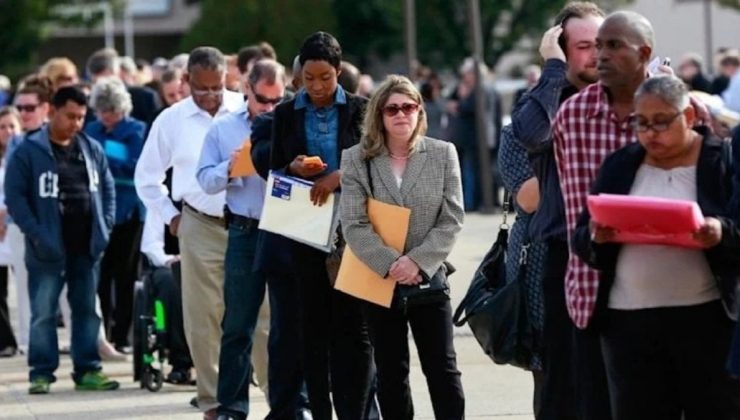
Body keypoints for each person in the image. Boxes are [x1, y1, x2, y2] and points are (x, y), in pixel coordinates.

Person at [572, 75, 740, 420]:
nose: (651, 133)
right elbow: (580, 236)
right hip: (629, 324)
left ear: (689, 117)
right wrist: (596, 236)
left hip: (706, 320)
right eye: (641, 123)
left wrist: (718, 231)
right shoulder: (621, 164)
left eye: (661, 122)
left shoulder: (718, 159)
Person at [339, 75, 465, 419]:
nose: (401, 115)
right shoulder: (356, 159)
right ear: (379, 115)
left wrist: (417, 262)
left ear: (419, 111)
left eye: (409, 107)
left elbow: (452, 218)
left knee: (443, 370)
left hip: (428, 279)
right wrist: (393, 263)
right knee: (392, 373)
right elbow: (352, 222)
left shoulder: (442, 154)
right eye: (392, 109)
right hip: (379, 281)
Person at [508, 3, 607, 418]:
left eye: (603, 45)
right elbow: (532, 133)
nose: (597, 56)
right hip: (560, 255)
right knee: (560, 384)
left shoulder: (625, 97)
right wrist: (552, 71)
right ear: (563, 51)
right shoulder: (544, 100)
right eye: (584, 46)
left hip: (621, 255)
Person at [134, 46, 244, 420]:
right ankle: (212, 399)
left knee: (259, 311)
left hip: (247, 222)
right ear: (185, 82)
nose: (211, 96)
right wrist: (171, 217)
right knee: (203, 316)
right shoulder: (171, 120)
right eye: (202, 88)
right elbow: (147, 179)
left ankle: (274, 390)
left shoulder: (245, 110)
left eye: (218, 87)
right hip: (198, 223)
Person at [269, 31, 373, 420]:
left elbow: (374, 160)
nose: (316, 87)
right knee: (311, 329)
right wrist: (292, 168)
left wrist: (339, 175)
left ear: (338, 72)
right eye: (308, 79)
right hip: (305, 226)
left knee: (355, 330)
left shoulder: (361, 109)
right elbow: (273, 168)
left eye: (325, 78)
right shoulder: (286, 113)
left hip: (354, 228)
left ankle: (355, 411)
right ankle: (321, 412)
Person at [4, 86, 118, 394]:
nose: (76, 123)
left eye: (81, 117)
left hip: (86, 245)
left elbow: (107, 191)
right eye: (70, 116)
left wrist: (105, 228)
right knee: (43, 312)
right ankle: (41, 372)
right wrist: (38, 234)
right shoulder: (28, 151)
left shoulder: (91, 148)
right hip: (46, 247)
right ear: (51, 111)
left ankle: (88, 369)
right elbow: (15, 198)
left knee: (86, 309)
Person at [196, 58, 285, 420]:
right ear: (247, 89)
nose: (270, 108)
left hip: (286, 228)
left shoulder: (292, 120)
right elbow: (204, 179)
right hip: (245, 228)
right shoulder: (223, 129)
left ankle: (293, 402)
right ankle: (232, 407)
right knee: (238, 323)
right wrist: (232, 167)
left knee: (288, 321)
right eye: (263, 100)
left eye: (277, 100)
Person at [85, 77, 147, 353]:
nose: (105, 117)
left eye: (109, 111)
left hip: (130, 212)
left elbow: (137, 166)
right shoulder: (91, 128)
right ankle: (103, 335)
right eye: (100, 111)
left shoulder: (137, 129)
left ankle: (123, 336)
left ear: (121, 108)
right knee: (101, 274)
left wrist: (106, 158)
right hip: (97, 212)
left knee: (125, 274)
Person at [139, 204, 194, 384]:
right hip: (168, 264)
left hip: (207, 262)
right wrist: (169, 260)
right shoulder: (161, 202)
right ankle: (181, 361)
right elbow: (151, 244)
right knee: (171, 282)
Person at [0, 106, 21, 357]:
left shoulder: (24, 153)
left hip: (17, 224)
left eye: (11, 126)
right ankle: (6, 340)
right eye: (3, 127)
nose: (8, 132)